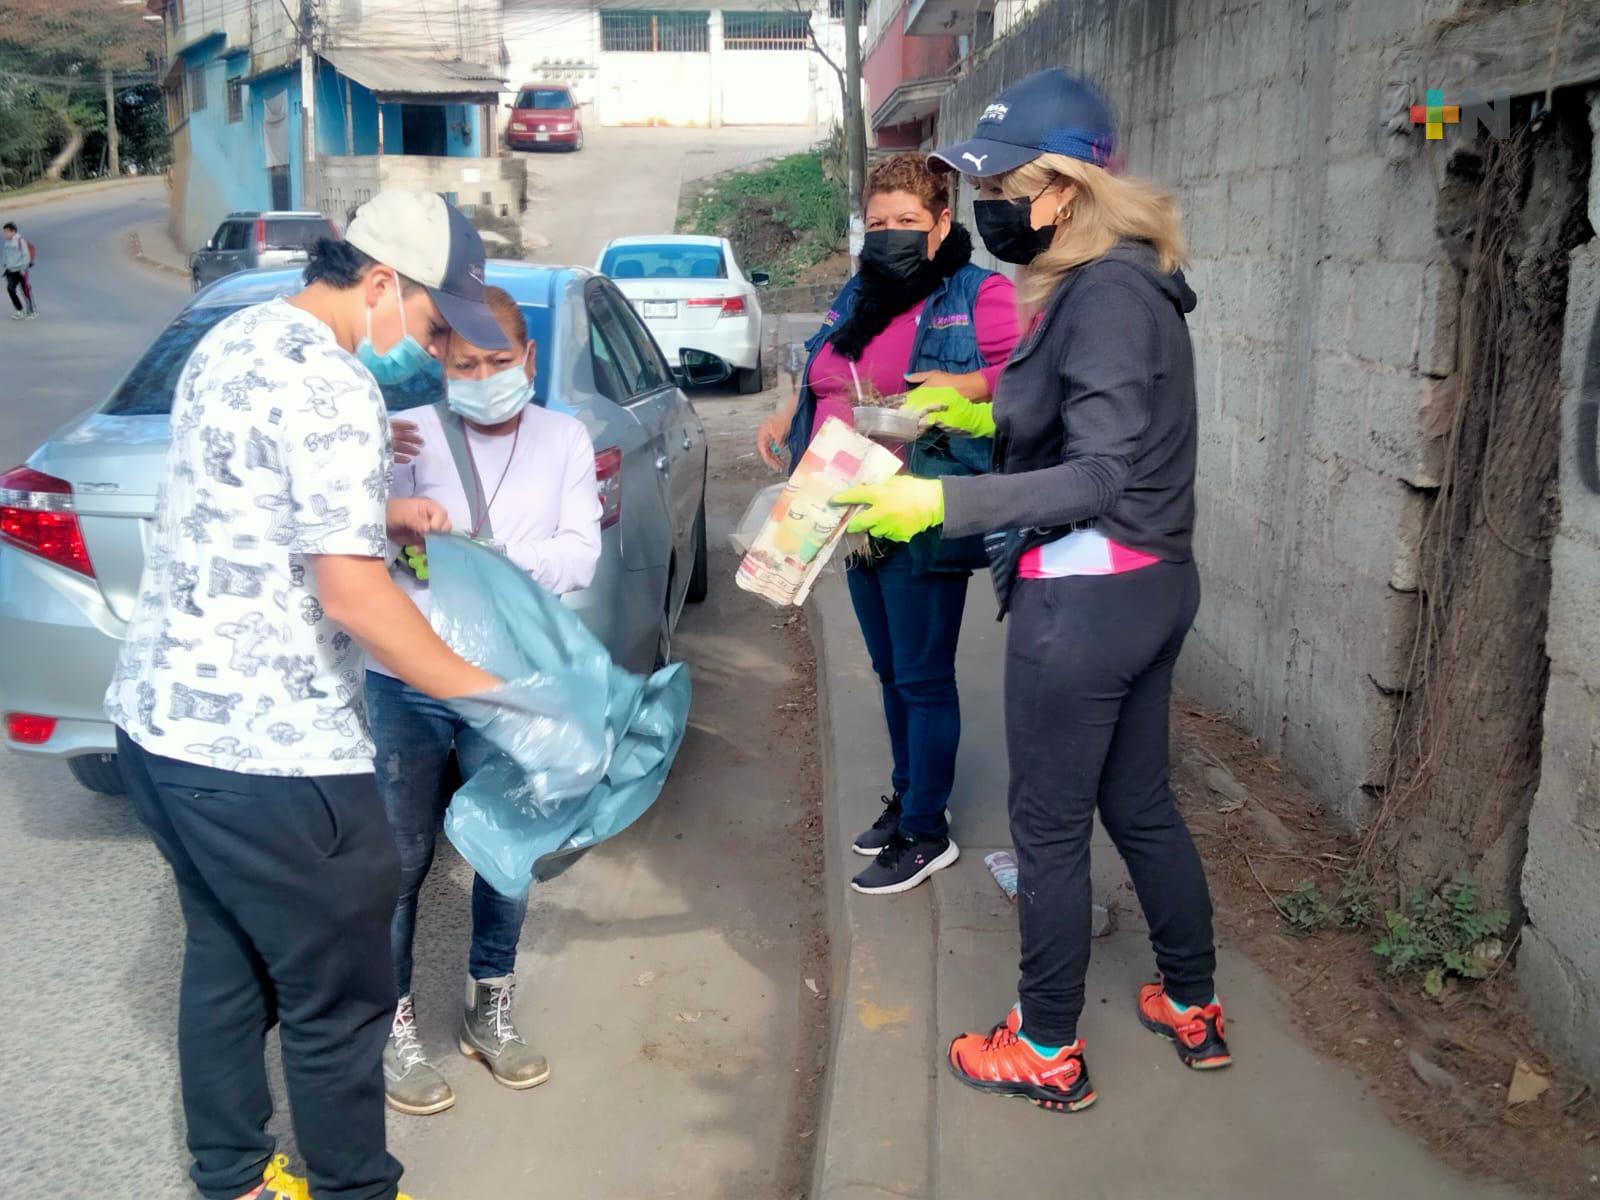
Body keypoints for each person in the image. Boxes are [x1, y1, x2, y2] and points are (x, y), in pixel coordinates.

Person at [833, 69, 1230, 1112]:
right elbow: (1092, 422)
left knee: (1049, 829)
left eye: (1000, 186)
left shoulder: (1108, 295)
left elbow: (1098, 474)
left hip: (1087, 600)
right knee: (1138, 802)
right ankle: (1192, 1002)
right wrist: (977, 417)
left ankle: (1046, 1044)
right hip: (1150, 585)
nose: (990, 205)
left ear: (1061, 190)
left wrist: (937, 503)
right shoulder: (1125, 280)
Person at [105, 189, 513, 1200]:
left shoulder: (236, 336)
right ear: (379, 281)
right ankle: (356, 1189)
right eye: (431, 325)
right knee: (341, 996)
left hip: (161, 728)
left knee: (227, 960)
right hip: (273, 754)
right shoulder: (336, 386)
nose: (431, 351)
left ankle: (235, 1178)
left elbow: (251, 493)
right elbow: (354, 599)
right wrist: (488, 690)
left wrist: (381, 514)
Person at [756, 153, 1020, 896]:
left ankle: (926, 832)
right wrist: (788, 410)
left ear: (942, 221)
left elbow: (1025, 379)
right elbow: (825, 363)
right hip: (848, 509)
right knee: (887, 668)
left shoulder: (979, 293)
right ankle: (908, 798)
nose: (890, 233)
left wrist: (961, 383)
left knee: (924, 677)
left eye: (907, 220)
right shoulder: (860, 290)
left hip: (920, 505)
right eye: (878, 222)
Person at [369, 286, 602, 1116]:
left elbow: (580, 556)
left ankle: (488, 1007)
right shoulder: (402, 437)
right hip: (410, 675)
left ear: (528, 357)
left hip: (514, 682)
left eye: (498, 361)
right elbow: (364, 553)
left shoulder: (564, 439)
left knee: (507, 848)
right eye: (465, 364)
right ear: (440, 360)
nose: (482, 377)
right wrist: (399, 528)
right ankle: (390, 1023)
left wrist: (485, 558)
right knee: (400, 856)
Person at [3, 221, 36, 319]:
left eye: (6, 232)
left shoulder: (20, 241)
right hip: (10, 270)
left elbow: (26, 255)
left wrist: (23, 269)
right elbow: (6, 255)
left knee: (25, 291)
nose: (5, 234)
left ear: (13, 231)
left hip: (21, 271)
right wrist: (5, 265)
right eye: (4, 232)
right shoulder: (7, 242)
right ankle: (19, 310)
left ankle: (32, 311)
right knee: (10, 289)